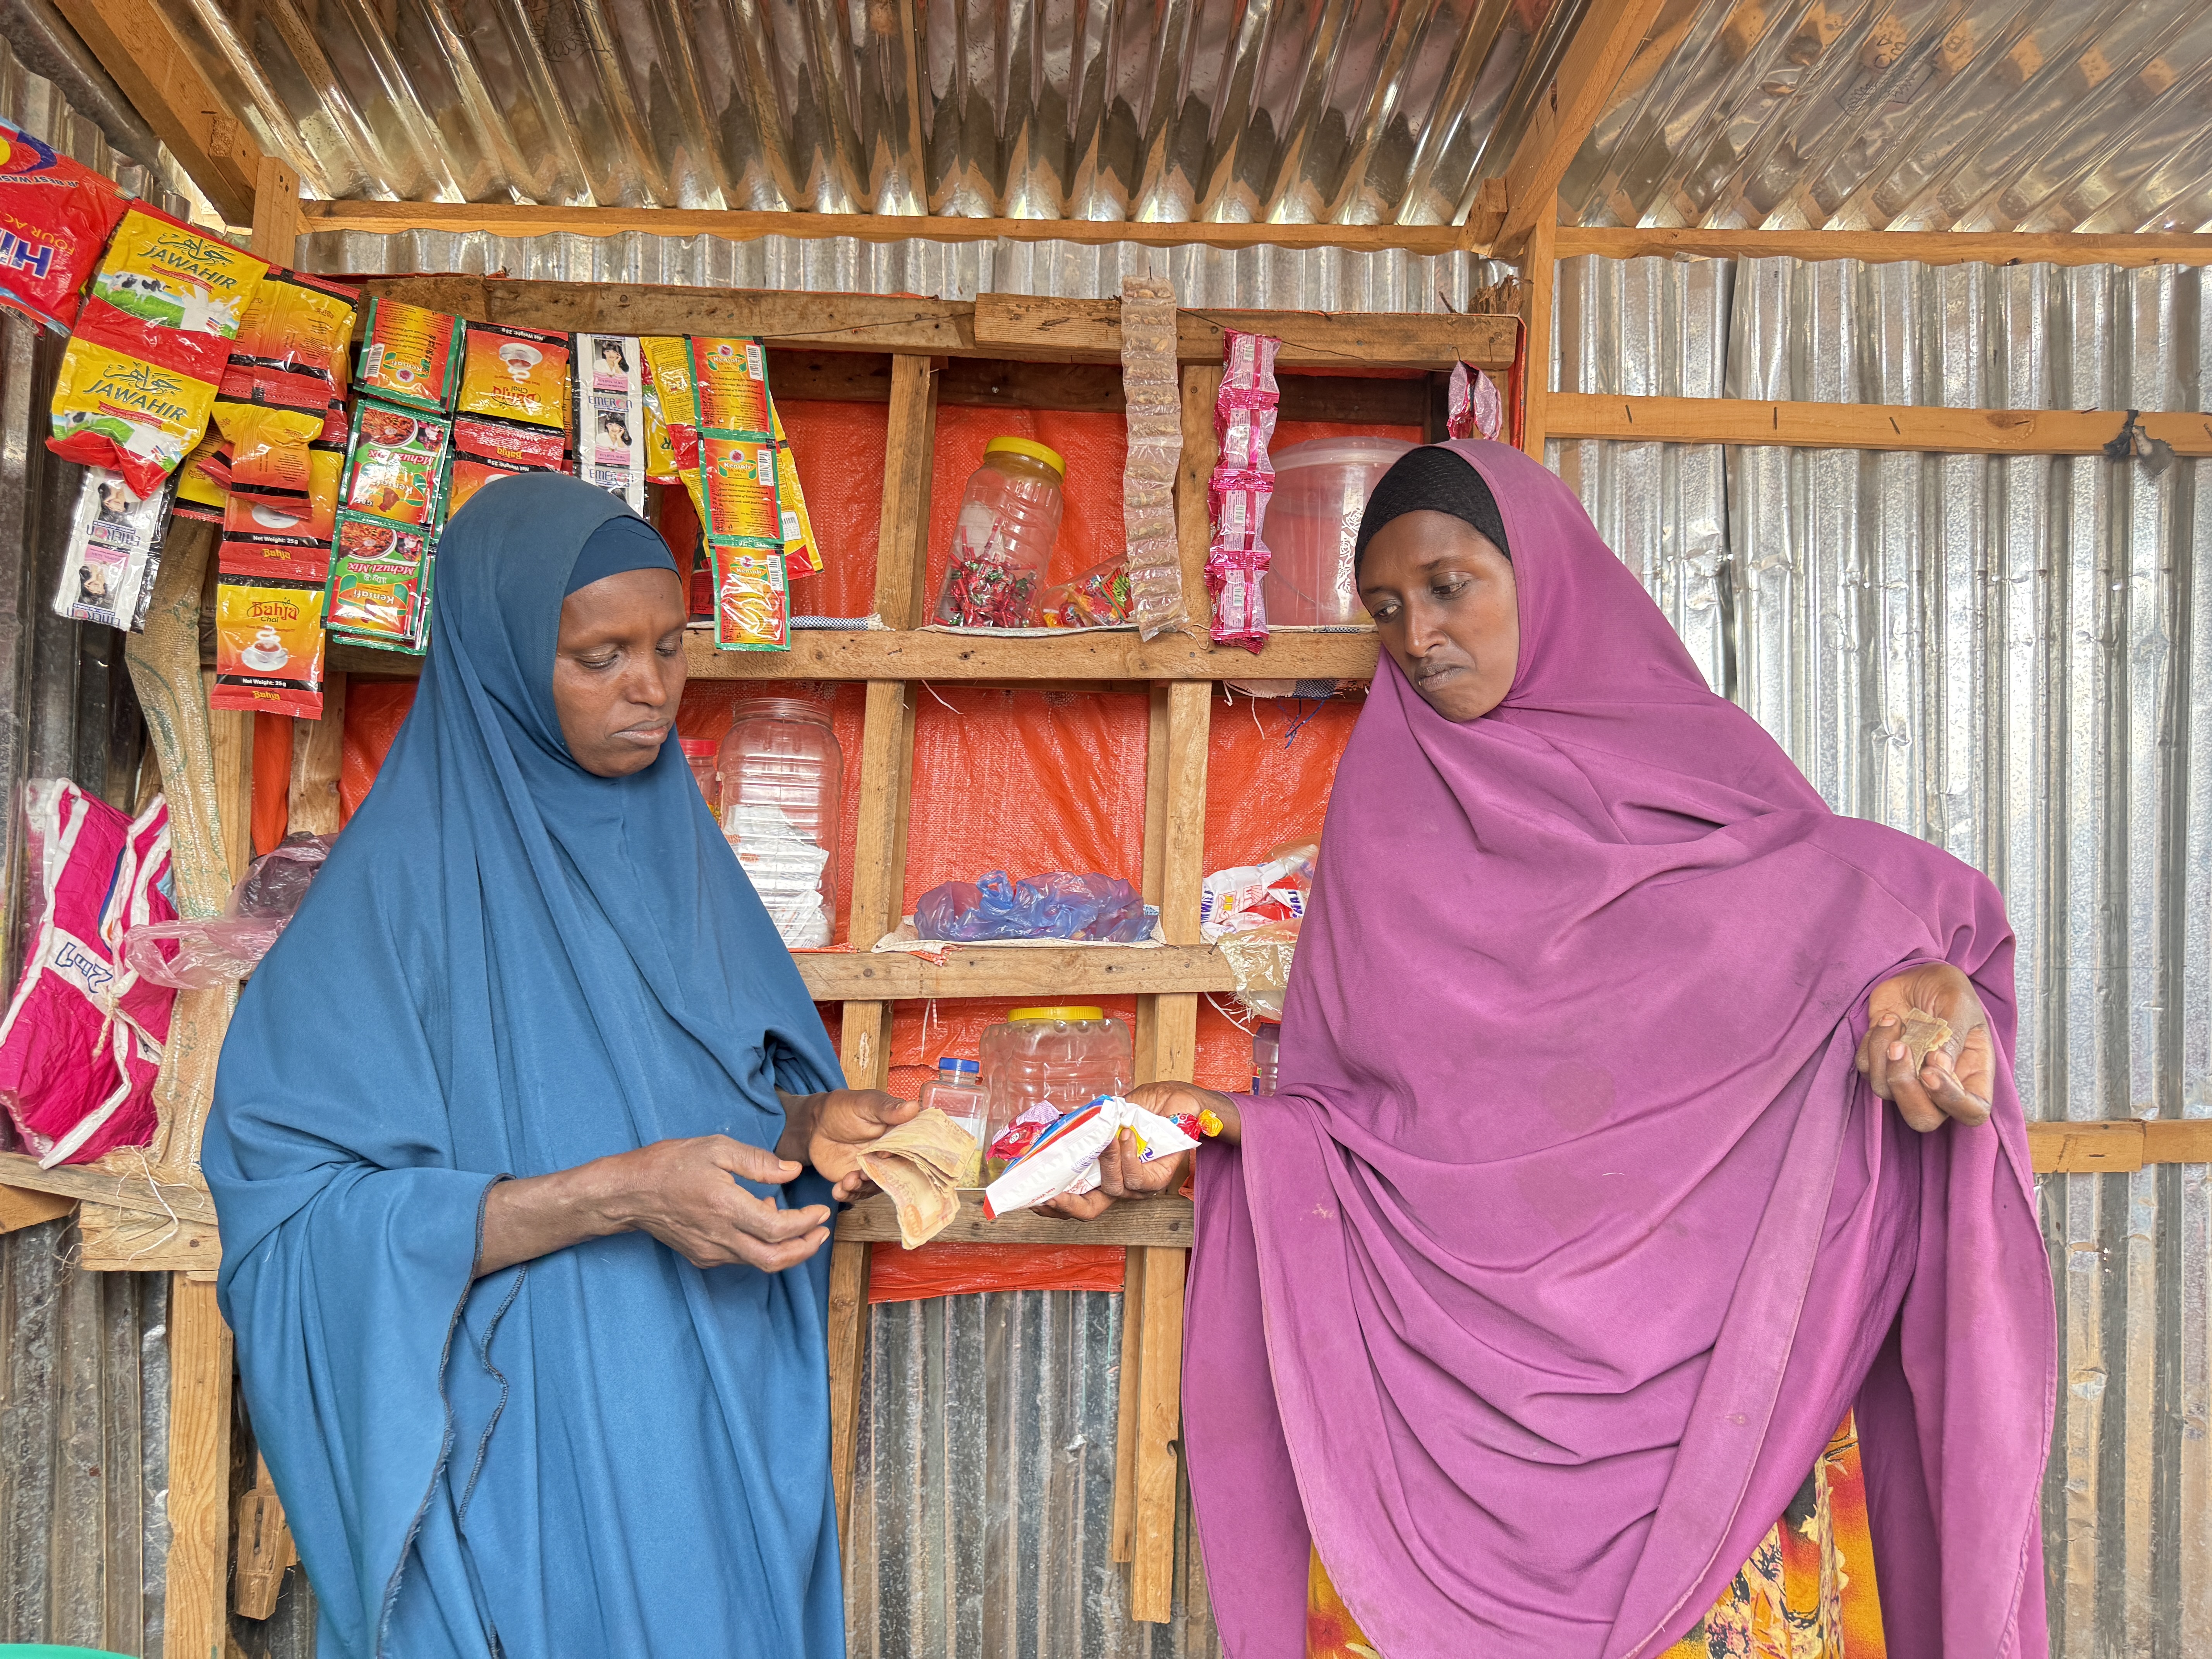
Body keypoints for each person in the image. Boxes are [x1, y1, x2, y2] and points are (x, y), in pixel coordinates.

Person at [1056, 440, 2055, 1659]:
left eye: (1448, 584)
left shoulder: (1710, 793)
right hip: (1443, 1456)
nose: (1417, 634)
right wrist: (1225, 1124)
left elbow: (1887, 943)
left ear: (1547, 575)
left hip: (1729, 1446)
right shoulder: (1389, 830)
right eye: (1385, 608)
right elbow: (1366, 1125)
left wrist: (1934, 1000)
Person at [203, 473, 911, 1659]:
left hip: (702, 1431)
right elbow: (298, 1226)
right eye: (601, 655)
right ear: (499, 658)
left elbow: (690, 1086)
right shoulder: (392, 903)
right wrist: (621, 1193)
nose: (651, 689)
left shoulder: (680, 855)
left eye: (671, 646)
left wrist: (802, 1127)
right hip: (515, 1459)